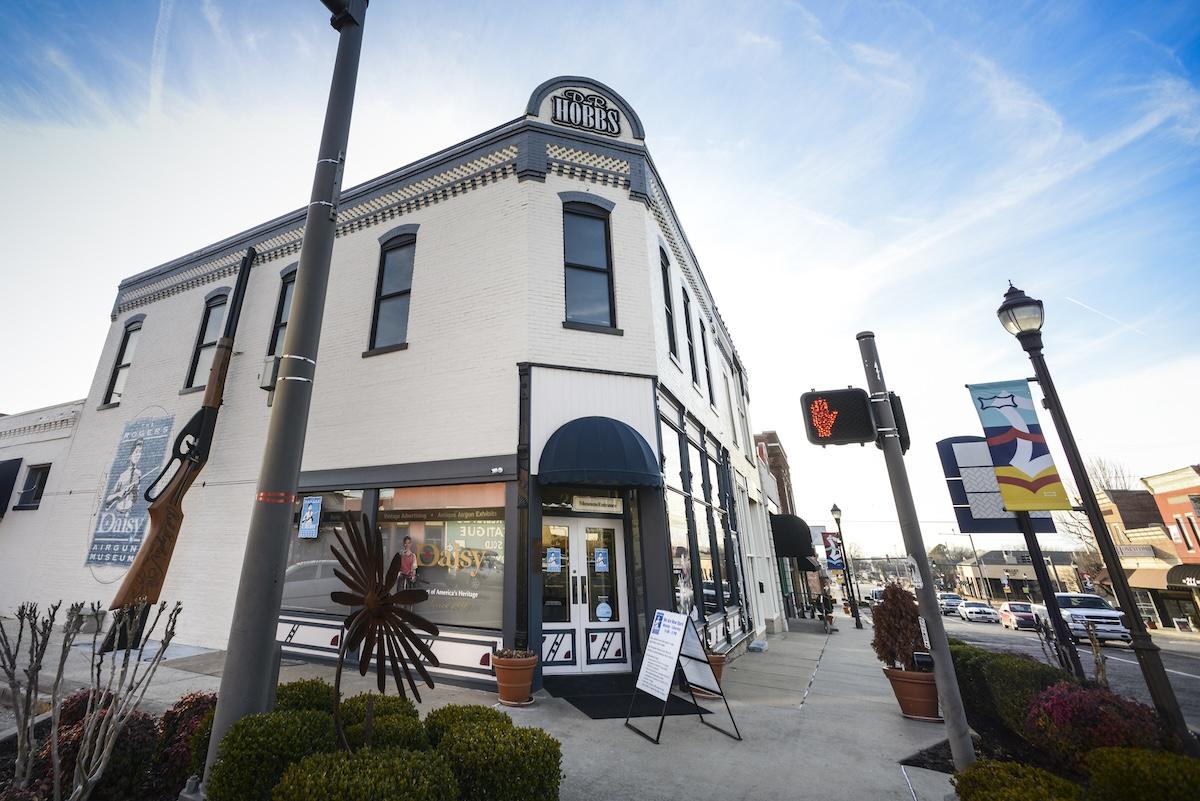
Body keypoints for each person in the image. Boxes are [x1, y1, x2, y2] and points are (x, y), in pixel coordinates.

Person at [105, 438, 144, 514]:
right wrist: (119, 494)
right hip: (117, 514)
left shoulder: (138, 474)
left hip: (130, 513)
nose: (138, 455)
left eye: (140, 452)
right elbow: (107, 500)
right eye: (136, 452)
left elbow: (137, 499)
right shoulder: (122, 475)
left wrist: (135, 490)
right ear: (130, 454)